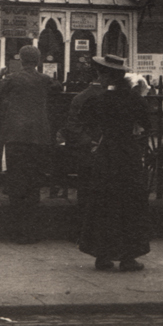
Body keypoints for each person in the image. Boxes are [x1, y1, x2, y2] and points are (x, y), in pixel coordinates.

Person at [77, 54, 152, 272]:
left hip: (107, 152)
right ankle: (129, 257)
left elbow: (86, 121)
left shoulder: (99, 100)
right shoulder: (135, 99)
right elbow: (146, 124)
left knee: (104, 202)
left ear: (107, 76)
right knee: (130, 203)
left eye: (101, 73)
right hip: (128, 152)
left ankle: (103, 256)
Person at [0, 45, 60, 244]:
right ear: (39, 60)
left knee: (16, 182)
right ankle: (32, 232)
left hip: (16, 137)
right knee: (33, 184)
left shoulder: (12, 79)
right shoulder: (44, 80)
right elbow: (58, 87)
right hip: (38, 138)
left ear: (20, 60)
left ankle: (17, 232)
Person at [59, 66, 105, 228]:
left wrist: (89, 141)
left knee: (85, 189)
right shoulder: (112, 96)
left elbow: (72, 125)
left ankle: (83, 230)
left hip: (87, 150)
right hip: (106, 149)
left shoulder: (80, 97)